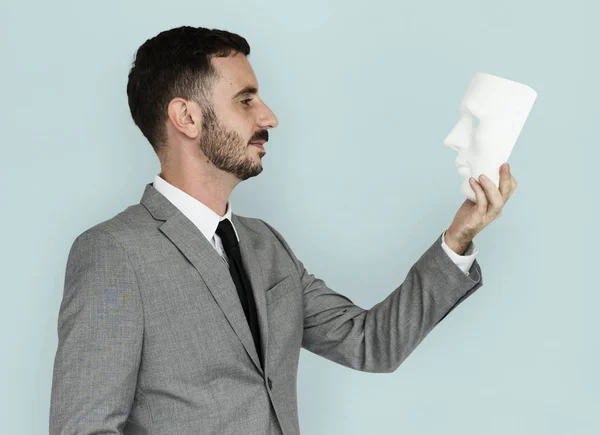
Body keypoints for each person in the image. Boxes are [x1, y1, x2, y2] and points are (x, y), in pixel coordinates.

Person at [49, 26, 517, 435]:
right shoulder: (113, 253)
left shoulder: (265, 244)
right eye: (246, 100)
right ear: (186, 117)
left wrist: (457, 239)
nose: (269, 117)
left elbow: (370, 343)